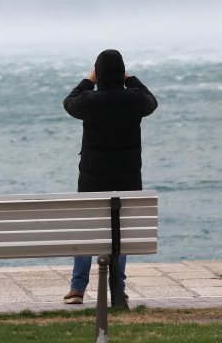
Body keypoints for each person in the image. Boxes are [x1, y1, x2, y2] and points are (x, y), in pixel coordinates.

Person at [62, 49, 158, 304]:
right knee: (119, 233)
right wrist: (131, 79)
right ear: (121, 72)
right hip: (127, 182)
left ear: (99, 73)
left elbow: (69, 101)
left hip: (92, 181)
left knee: (85, 230)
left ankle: (77, 288)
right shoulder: (134, 100)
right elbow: (152, 101)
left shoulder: (89, 102)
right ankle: (117, 286)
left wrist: (88, 81)